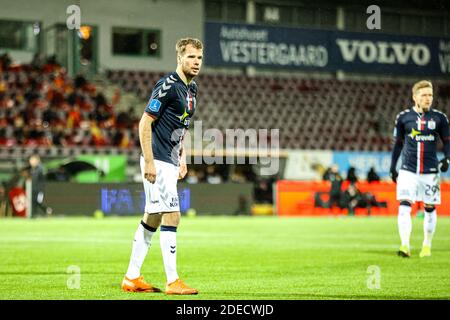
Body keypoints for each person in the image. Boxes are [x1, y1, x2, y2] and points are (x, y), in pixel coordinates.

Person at [121, 38, 203, 294]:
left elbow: (182, 124)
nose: (196, 62)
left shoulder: (192, 89)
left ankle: (132, 277)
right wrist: (148, 161)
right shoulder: (168, 85)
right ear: (179, 58)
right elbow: (145, 122)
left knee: (152, 217)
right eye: (191, 57)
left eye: (199, 58)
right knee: (172, 214)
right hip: (157, 158)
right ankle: (172, 281)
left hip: (170, 157)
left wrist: (182, 155)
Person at [390, 80, 450, 258]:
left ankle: (426, 245)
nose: (428, 98)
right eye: (424, 95)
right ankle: (405, 245)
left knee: (429, 208)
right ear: (414, 97)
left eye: (430, 95)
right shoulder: (403, 117)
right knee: (404, 206)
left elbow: (447, 141)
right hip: (408, 170)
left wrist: (447, 158)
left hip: (430, 172)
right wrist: (393, 167)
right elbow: (397, 145)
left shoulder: (439, 118)